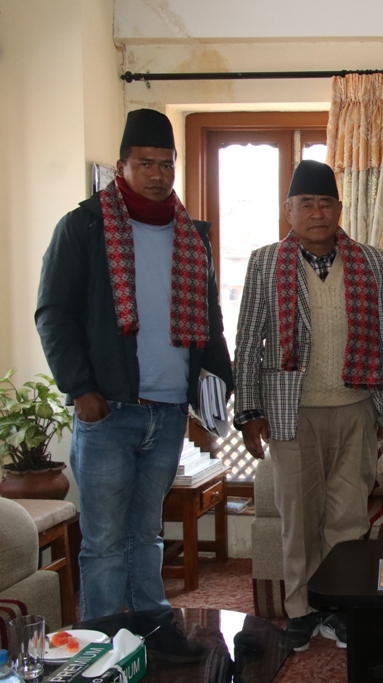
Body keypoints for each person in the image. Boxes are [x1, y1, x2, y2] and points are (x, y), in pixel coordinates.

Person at [36, 108, 234, 621]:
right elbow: (54, 313)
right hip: (108, 409)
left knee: (147, 530)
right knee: (104, 538)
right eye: (145, 163)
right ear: (122, 165)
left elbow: (208, 318)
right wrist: (81, 390)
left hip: (167, 412)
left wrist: (219, 388)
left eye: (166, 164)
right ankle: (104, 641)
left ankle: (151, 625)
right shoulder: (84, 227)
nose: (157, 175)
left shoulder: (191, 234)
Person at [233, 160, 383, 652]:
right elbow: (247, 341)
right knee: (299, 519)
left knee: (348, 521)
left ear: (339, 209)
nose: (316, 213)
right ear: (288, 210)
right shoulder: (265, 262)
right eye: (306, 204)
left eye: (325, 203)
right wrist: (248, 412)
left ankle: (340, 608)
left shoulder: (371, 261)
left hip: (356, 407)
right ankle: (301, 611)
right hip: (291, 412)